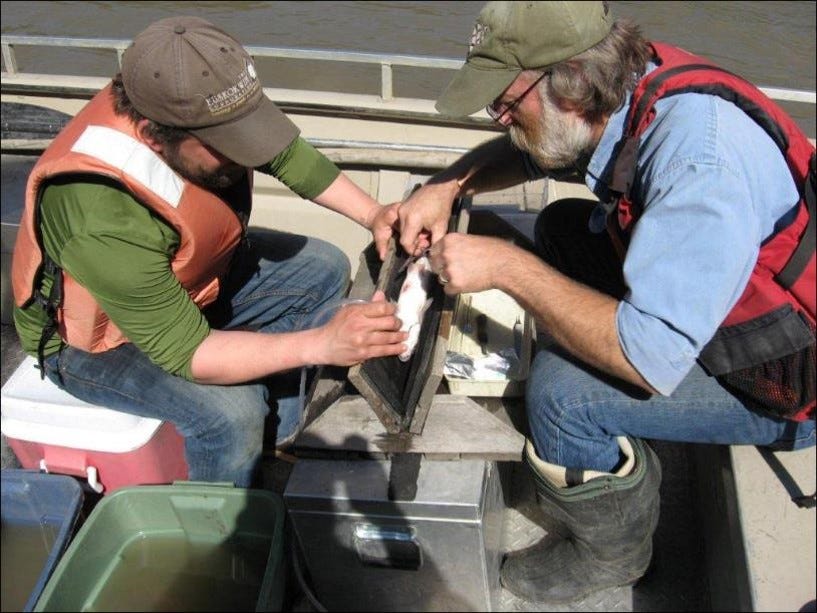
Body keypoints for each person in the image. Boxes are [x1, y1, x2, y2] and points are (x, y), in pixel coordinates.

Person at [390, 1, 816, 604]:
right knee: (564, 227)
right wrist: (449, 185)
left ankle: (612, 559)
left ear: (573, 84)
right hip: (732, 304)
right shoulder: (629, 86)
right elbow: (538, 147)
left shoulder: (699, 161)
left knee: (564, 396)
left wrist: (509, 270)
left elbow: (646, 358)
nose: (501, 120)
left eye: (508, 104)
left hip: (787, 377)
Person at [11, 16, 408, 488]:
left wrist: (375, 215)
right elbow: (189, 351)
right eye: (226, 146)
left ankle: (276, 431)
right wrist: (323, 344)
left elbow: (283, 154)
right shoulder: (99, 214)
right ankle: (220, 529)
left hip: (183, 283)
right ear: (153, 134)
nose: (244, 156)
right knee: (232, 415)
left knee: (324, 266)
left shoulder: (199, 98)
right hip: (93, 344)